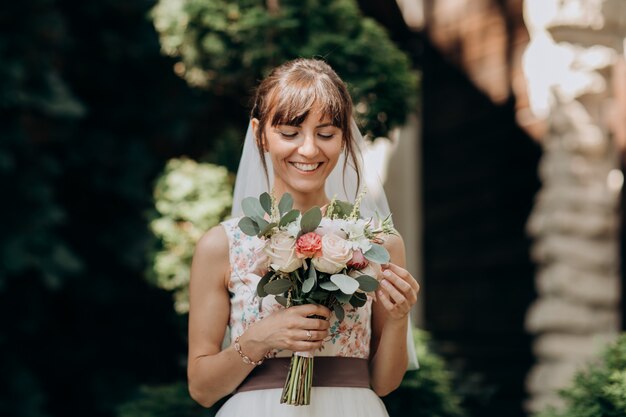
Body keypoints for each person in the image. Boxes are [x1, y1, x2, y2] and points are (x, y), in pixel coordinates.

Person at [187, 58, 421, 416]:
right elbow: (202, 389)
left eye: (326, 134)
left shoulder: (378, 243)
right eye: (290, 133)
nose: (309, 149)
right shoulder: (223, 244)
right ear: (259, 134)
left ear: (344, 139)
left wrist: (400, 317)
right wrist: (260, 338)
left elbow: (384, 382)